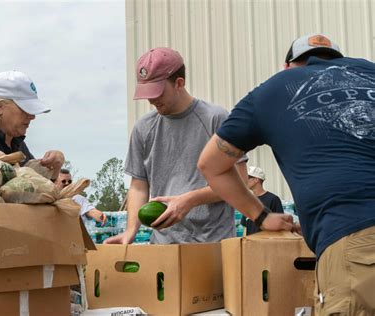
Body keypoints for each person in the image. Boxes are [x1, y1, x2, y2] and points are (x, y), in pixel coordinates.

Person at [197, 34, 375, 314]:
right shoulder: (369, 72)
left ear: (288, 66)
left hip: (357, 244)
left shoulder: (273, 90)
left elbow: (211, 164)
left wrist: (263, 216)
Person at [105, 47, 248, 245]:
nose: (151, 100)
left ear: (179, 83)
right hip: (163, 246)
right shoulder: (143, 128)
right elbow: (139, 186)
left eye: (157, 92)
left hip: (213, 243)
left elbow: (241, 181)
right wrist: (130, 231)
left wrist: (188, 200)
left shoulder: (216, 119)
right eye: (146, 92)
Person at [240, 166, 284, 235]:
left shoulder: (273, 199)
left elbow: (280, 225)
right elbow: (246, 226)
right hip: (250, 243)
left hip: (265, 243)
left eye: (247, 178)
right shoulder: (248, 201)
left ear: (256, 180)